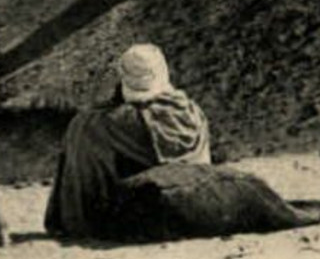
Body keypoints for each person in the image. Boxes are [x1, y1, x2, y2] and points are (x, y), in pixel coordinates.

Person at [45, 45, 211, 238]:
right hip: (198, 206)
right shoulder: (192, 113)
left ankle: (84, 219)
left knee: (81, 128)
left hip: (142, 213)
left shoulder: (102, 123)